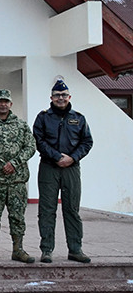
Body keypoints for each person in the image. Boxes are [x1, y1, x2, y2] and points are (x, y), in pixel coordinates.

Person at [33, 79, 93, 264]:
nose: (61, 98)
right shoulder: (43, 117)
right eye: (57, 95)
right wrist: (57, 156)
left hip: (71, 169)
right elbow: (39, 140)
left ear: (69, 97)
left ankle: (75, 249)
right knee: (46, 210)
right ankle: (47, 250)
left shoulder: (79, 118)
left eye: (64, 95)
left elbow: (87, 142)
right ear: (51, 97)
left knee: (72, 209)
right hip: (49, 167)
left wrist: (72, 158)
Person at [0, 89, 37, 264]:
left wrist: (15, 163)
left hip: (17, 180)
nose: (3, 104)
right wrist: (1, 164)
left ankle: (18, 249)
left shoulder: (21, 125)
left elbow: (30, 146)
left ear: (11, 104)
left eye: (6, 101)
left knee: (17, 216)